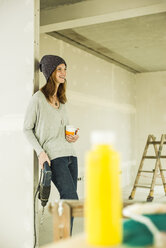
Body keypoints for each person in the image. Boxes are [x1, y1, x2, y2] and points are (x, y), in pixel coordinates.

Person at [23, 55, 79, 234]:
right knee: (70, 198)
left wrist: (72, 136)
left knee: (71, 202)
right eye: (60, 69)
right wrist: (40, 152)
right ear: (50, 72)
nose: (64, 73)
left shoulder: (61, 101)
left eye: (65, 69)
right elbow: (27, 129)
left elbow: (64, 130)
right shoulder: (38, 98)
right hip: (55, 157)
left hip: (71, 155)